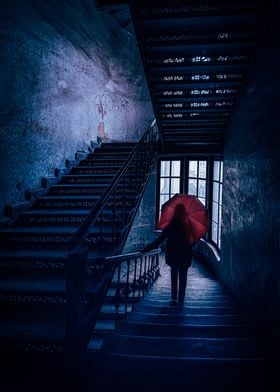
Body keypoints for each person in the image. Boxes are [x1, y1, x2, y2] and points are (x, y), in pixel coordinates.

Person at [142, 203, 193, 305]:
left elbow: (159, 241)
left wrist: (145, 250)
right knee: (183, 278)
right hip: (185, 256)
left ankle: (174, 296)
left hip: (173, 256)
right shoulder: (188, 225)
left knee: (174, 275)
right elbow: (191, 242)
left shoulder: (171, 225)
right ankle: (181, 299)